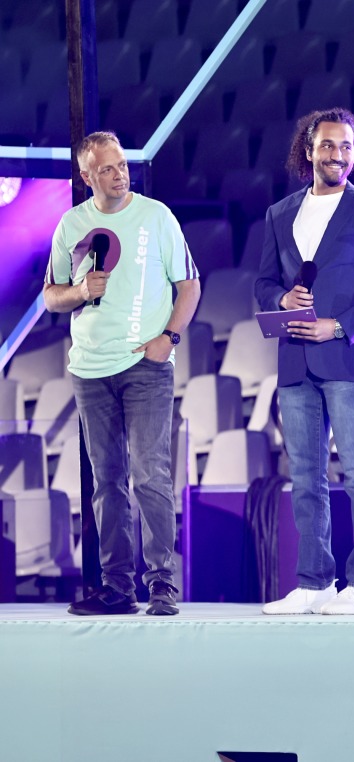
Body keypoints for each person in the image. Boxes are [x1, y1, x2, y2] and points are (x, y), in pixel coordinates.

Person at [255, 108, 354, 615]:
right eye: (327, 145)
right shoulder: (281, 214)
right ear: (308, 149)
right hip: (295, 361)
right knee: (305, 475)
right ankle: (314, 583)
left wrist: (339, 325)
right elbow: (262, 283)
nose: (336, 154)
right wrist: (280, 300)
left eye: (345, 147)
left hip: (346, 358)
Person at [43, 131, 200, 616]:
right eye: (107, 169)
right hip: (90, 369)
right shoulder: (72, 224)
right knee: (106, 480)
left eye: (122, 165)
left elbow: (190, 285)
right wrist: (79, 291)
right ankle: (117, 586)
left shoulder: (156, 216)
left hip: (145, 366)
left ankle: (162, 585)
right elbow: (52, 295)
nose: (119, 174)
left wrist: (168, 340)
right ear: (86, 176)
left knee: (150, 474)